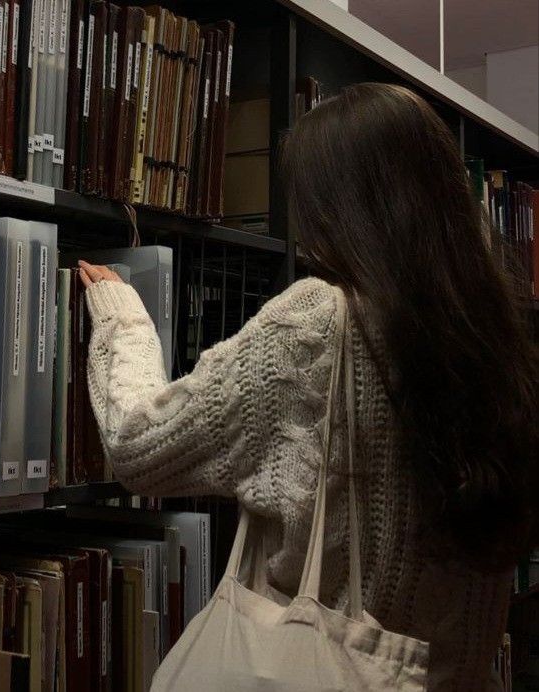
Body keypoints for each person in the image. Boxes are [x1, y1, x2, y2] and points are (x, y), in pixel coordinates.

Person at [78, 83, 538, 690]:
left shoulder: (320, 325)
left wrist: (120, 315)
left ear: (338, 207)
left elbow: (139, 446)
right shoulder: (497, 340)